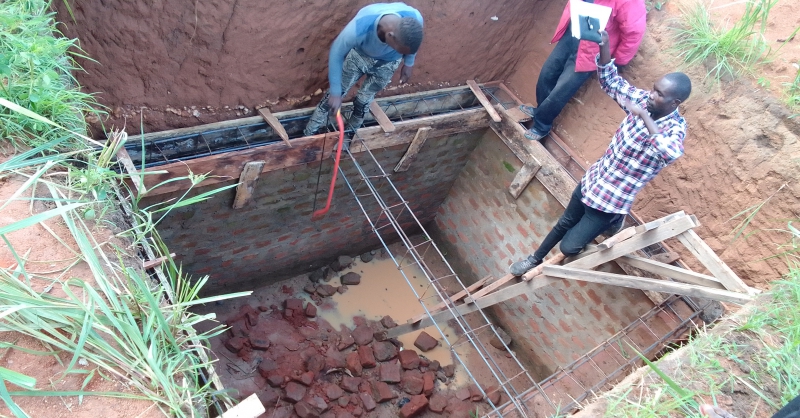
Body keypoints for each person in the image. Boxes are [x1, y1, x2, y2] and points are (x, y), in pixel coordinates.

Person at [509, 30, 691, 276]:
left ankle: (613, 222)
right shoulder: (643, 100)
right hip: (595, 180)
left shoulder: (674, 128)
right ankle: (534, 259)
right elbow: (611, 83)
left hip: (612, 200)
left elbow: (670, 153)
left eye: (659, 94)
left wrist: (646, 117)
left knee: (570, 246)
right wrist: (604, 47)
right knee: (564, 222)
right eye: (654, 89)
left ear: (675, 103)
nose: (651, 95)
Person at [520, 0, 646, 141]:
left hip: (591, 49)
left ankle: (542, 125)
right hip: (573, 34)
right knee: (547, 74)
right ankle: (540, 110)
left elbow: (634, 33)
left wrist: (618, 60)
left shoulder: (631, 2)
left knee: (561, 90)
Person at [303, 3, 423, 137]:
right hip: (359, 57)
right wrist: (336, 92)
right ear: (390, 35)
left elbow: (412, 47)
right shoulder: (359, 28)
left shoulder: (415, 18)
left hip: (388, 64)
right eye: (399, 51)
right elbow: (336, 54)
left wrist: (408, 63)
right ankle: (308, 135)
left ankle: (349, 136)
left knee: (362, 101)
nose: (401, 54)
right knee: (331, 99)